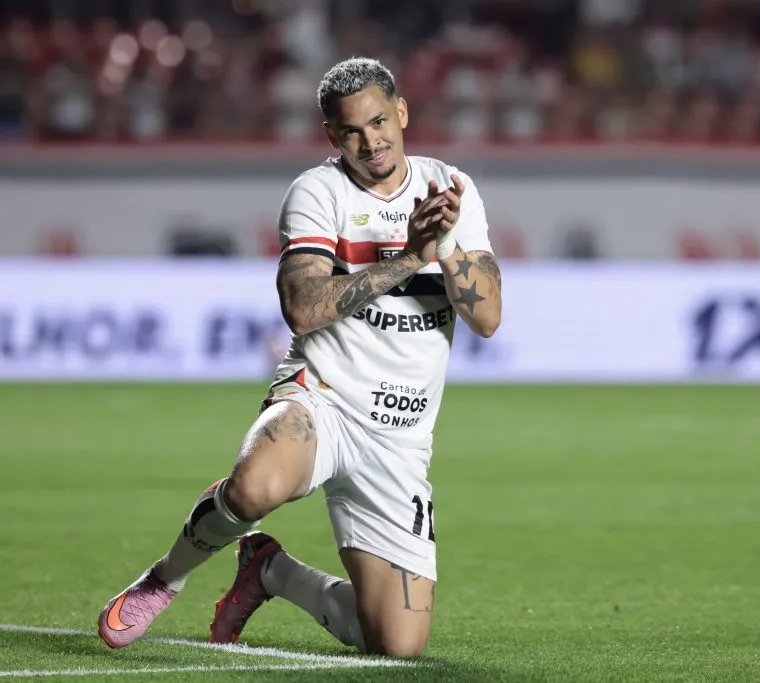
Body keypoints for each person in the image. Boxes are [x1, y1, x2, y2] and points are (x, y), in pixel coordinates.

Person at [97, 56, 503, 658]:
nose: (370, 142)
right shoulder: (318, 192)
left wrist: (443, 244)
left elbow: (488, 318)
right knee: (259, 485)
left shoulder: (451, 190)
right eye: (351, 131)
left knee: (396, 645)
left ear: (402, 113)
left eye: (379, 122)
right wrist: (409, 258)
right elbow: (305, 309)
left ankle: (270, 572)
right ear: (331, 137)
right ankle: (165, 576)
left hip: (401, 439)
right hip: (323, 399)